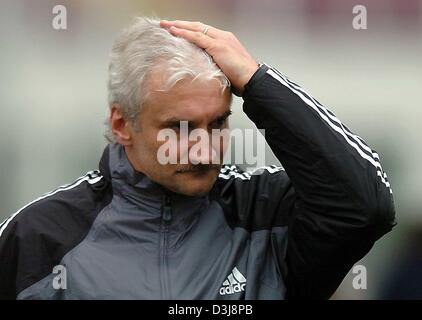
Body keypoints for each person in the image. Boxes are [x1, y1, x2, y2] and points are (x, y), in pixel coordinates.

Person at [0, 17, 396, 299]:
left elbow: (367, 206)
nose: (205, 148)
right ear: (122, 124)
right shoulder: (37, 236)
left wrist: (257, 81)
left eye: (218, 124)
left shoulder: (265, 214)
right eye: (180, 127)